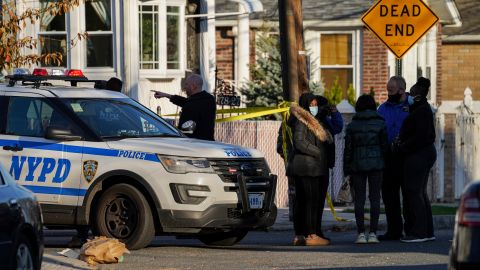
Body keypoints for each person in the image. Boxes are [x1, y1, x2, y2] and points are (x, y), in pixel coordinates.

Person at [287, 93, 333, 246]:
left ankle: (301, 234)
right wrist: (318, 152)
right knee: (310, 201)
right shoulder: (302, 120)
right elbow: (299, 142)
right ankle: (311, 234)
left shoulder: (314, 120)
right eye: (311, 104)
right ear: (306, 105)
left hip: (311, 167)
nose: (314, 107)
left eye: (316, 104)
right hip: (308, 167)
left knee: (304, 201)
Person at [395, 77, 437, 243]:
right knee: (420, 192)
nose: (408, 96)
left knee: (414, 192)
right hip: (423, 154)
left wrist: (402, 146)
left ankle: (419, 232)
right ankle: (427, 231)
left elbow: (420, 137)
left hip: (418, 155)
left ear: (418, 96)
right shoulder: (420, 109)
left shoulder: (421, 112)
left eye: (410, 94)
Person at [344, 95, 388, 244]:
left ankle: (361, 233)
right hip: (377, 165)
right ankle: (373, 233)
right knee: (375, 199)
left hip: (357, 165)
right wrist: (386, 164)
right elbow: (385, 147)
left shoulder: (352, 125)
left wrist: (346, 169)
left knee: (359, 200)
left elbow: (348, 150)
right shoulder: (380, 123)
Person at [377, 76, 409, 240]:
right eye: (388, 90)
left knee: (409, 193)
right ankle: (394, 229)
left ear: (402, 90)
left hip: (406, 155)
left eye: (392, 90)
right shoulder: (382, 109)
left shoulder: (411, 107)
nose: (389, 93)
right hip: (388, 156)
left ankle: (411, 229)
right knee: (389, 195)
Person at [153, 74, 216, 140]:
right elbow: (186, 101)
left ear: (193, 87)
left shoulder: (192, 104)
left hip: (194, 143)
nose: (184, 87)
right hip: (208, 142)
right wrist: (166, 95)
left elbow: (186, 130)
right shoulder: (209, 99)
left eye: (186, 84)